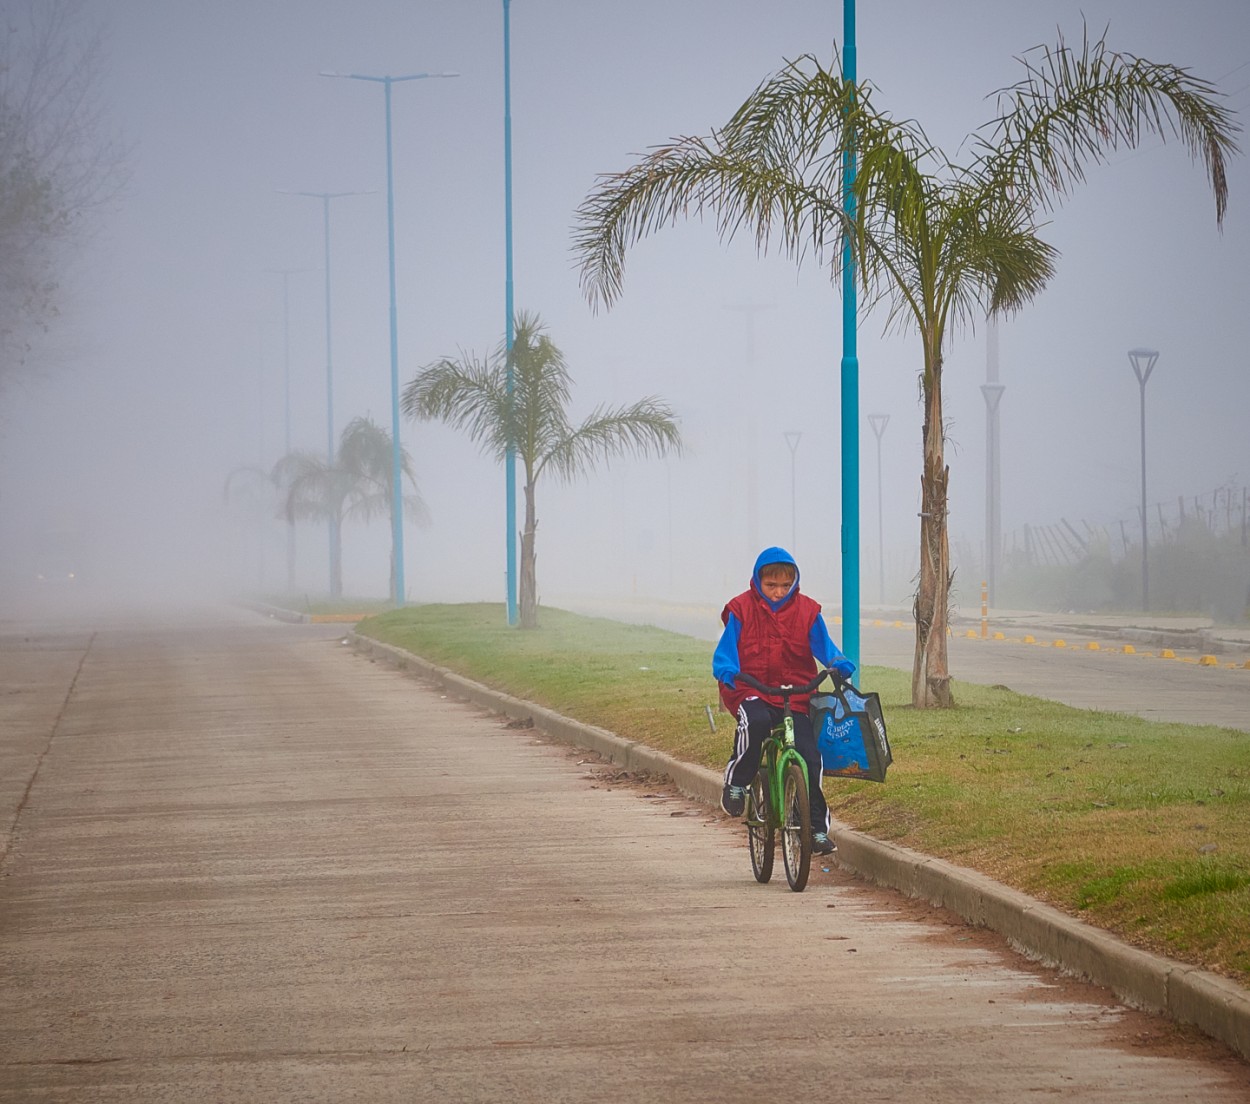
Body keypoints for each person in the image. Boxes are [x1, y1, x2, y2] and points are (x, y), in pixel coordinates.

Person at [712, 547, 855, 856]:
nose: (778, 592)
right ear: (757, 581)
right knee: (758, 722)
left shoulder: (807, 611)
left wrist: (839, 663)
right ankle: (736, 782)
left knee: (810, 756)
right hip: (750, 688)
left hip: (796, 692)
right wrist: (725, 670)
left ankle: (816, 828)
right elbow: (726, 651)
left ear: (794, 583)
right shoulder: (740, 609)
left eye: (784, 586)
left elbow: (826, 647)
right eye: (771, 585)